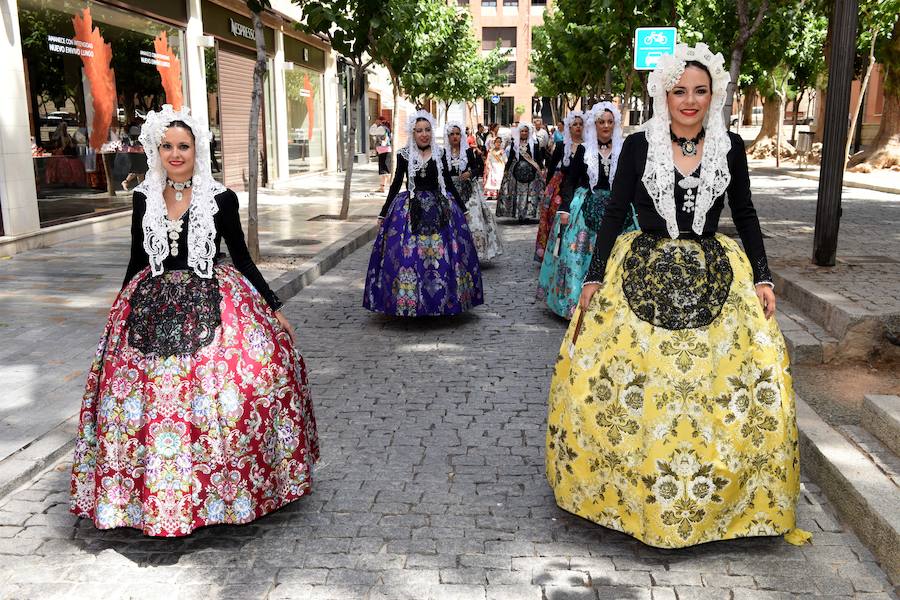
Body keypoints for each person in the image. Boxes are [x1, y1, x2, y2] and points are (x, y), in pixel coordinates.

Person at [545, 44, 811, 549]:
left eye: (700, 91)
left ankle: (722, 499)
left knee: (735, 383)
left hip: (715, 271)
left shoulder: (729, 145)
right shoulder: (641, 145)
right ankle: (628, 490)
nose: (689, 100)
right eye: (679, 91)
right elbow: (618, 206)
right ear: (664, 95)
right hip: (642, 265)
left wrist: (763, 278)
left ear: (713, 95)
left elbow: (747, 215)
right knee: (629, 383)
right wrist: (594, 277)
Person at [70, 105, 319, 537]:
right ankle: (145, 497)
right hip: (150, 300)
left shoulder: (220, 198)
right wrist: (118, 310)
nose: (175, 153)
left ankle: (229, 489)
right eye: (167, 146)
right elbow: (136, 259)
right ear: (156, 150)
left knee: (242, 381)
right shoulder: (143, 197)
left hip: (214, 296)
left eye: (183, 146)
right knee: (130, 396)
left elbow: (241, 257)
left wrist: (274, 308)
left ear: (197, 148)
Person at [364, 110, 484, 316]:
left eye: (427, 130)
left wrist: (462, 209)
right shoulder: (403, 155)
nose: (424, 134)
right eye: (419, 130)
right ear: (413, 132)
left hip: (439, 208)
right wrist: (384, 213)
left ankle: (441, 301)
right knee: (409, 257)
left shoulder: (440, 154)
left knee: (442, 255)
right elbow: (395, 186)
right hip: (410, 208)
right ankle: (411, 303)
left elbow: (446, 183)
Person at [537, 103, 631, 319]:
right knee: (578, 253)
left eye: (610, 122)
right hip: (585, 206)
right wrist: (564, 208)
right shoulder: (583, 150)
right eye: (601, 122)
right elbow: (570, 182)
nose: (606, 126)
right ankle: (575, 303)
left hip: (618, 208)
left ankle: (615, 304)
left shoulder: (623, 150)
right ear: (594, 124)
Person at [445, 120, 503, 262]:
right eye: (452, 134)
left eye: (458, 134)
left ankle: (475, 255)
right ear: (447, 136)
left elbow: (479, 168)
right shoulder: (441, 153)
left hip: (469, 191)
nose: (455, 137)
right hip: (449, 193)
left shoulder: (469, 152)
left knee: (474, 223)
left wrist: (470, 173)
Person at [535, 111, 586, 263]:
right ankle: (552, 251)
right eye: (574, 124)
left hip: (580, 186)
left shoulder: (589, 146)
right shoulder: (561, 145)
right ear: (569, 128)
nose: (578, 127)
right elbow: (551, 168)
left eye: (580, 124)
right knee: (553, 216)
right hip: (560, 185)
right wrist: (548, 188)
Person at [496, 121, 545, 222]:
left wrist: (542, 168)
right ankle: (518, 214)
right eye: (522, 131)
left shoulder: (535, 144)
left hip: (532, 172)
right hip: (517, 172)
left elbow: (538, 158)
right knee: (518, 193)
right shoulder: (515, 143)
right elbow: (511, 158)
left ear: (529, 132)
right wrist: (506, 169)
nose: (524, 133)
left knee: (530, 194)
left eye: (526, 131)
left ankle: (528, 214)